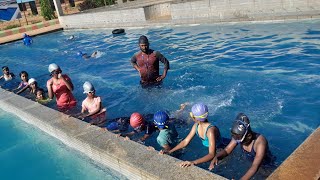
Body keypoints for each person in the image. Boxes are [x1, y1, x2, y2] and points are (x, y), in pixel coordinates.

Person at [209, 113, 275, 179]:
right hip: (251, 163)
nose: (236, 141)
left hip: (266, 167)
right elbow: (227, 150)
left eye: (239, 139)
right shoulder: (238, 136)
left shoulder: (260, 143)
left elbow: (255, 166)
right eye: (235, 138)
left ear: (248, 136)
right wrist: (217, 157)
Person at [162, 103, 222, 168]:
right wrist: (170, 151)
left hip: (221, 149)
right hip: (212, 148)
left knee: (214, 168)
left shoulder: (210, 131)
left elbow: (211, 154)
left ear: (195, 118)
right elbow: (185, 141)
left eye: (191, 114)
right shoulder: (196, 126)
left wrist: (193, 162)